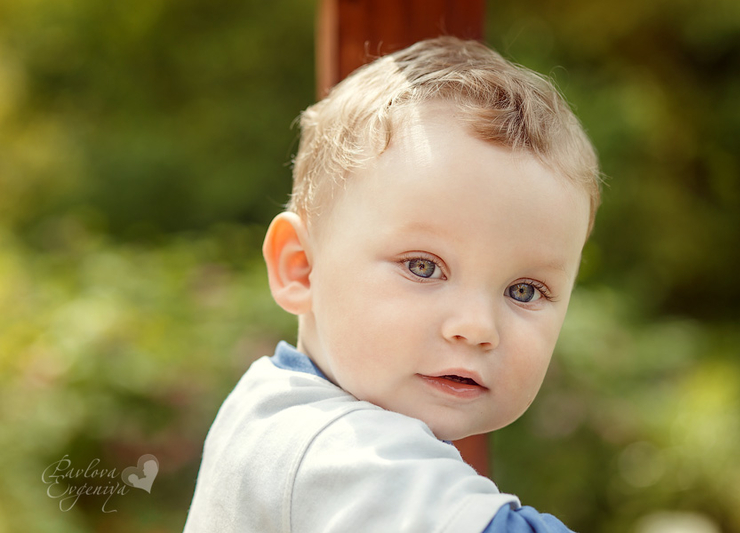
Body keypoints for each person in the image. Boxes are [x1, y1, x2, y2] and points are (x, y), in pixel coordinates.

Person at [184, 36, 600, 533]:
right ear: (301, 268)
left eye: (524, 290)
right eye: (423, 267)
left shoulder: (270, 406)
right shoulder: (342, 450)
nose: (476, 327)